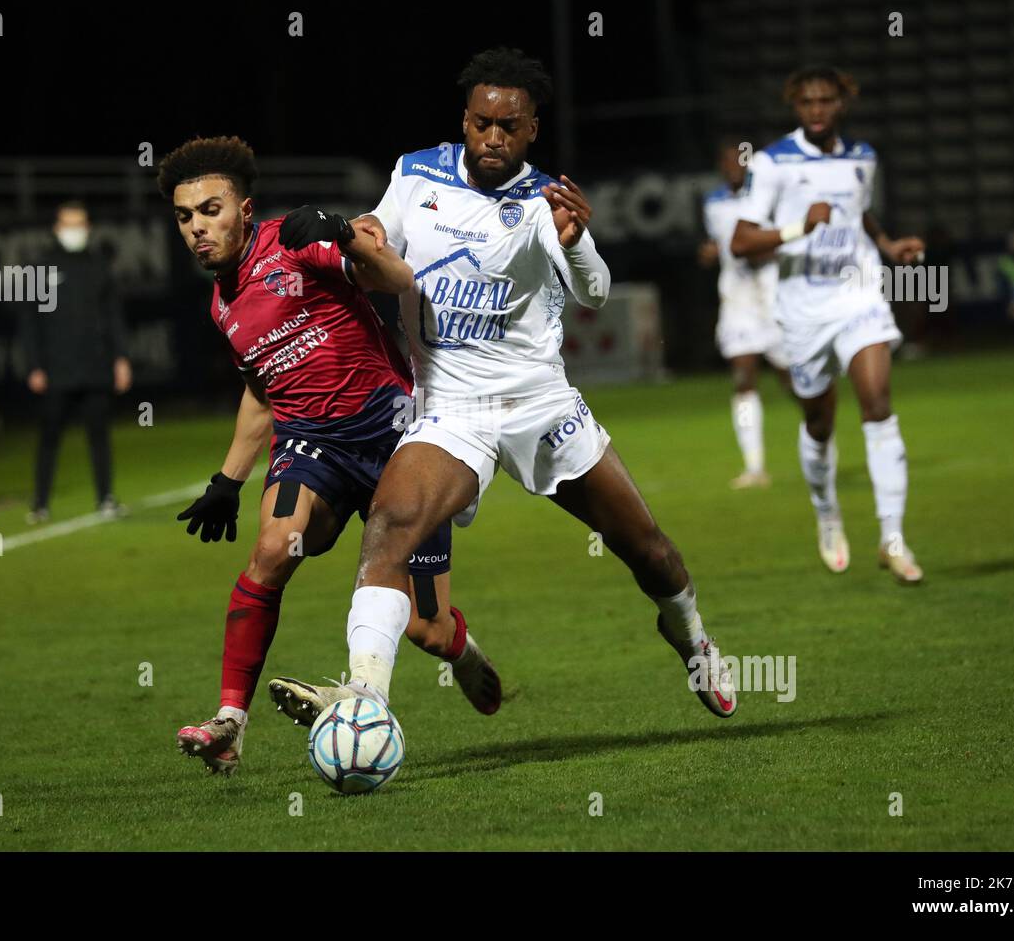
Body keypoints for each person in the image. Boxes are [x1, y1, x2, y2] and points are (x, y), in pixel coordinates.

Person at [269, 47, 737, 727]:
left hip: (540, 404)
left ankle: (690, 635)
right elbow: (377, 248)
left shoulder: (546, 201)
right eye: (482, 122)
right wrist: (340, 233)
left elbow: (596, 291)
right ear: (465, 119)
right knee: (390, 525)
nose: (494, 136)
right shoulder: (416, 175)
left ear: (532, 130)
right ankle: (365, 698)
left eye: (509, 126)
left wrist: (576, 241)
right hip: (453, 411)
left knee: (650, 549)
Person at [157, 136, 501, 775]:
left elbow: (399, 278)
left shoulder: (293, 242)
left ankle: (461, 649)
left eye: (210, 210)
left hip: (397, 438)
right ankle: (231, 719)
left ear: (246, 209)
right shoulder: (221, 305)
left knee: (424, 627)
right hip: (313, 445)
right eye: (185, 217)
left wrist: (343, 234)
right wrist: (227, 480)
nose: (198, 228)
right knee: (271, 549)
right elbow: (264, 392)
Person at [730, 65, 926, 584]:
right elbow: (741, 242)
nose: (817, 110)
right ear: (797, 107)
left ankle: (893, 537)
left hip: (859, 295)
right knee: (819, 421)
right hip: (801, 309)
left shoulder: (864, 158)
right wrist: (799, 226)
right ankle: (826, 511)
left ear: (842, 103)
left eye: (826, 101)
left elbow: (859, 214)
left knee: (878, 406)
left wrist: (886, 246)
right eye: (807, 103)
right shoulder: (772, 163)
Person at [20, 201, 132, 523]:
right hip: (56, 370)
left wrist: (121, 358)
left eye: (80, 224)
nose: (75, 231)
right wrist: (34, 366)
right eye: (69, 225)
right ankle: (40, 503)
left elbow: (113, 317)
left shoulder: (99, 266)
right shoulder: (40, 268)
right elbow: (30, 324)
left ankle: (105, 498)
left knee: (99, 435)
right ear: (57, 229)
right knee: (49, 437)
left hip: (95, 367)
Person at [698, 137, 791, 488]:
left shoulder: (766, 199)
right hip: (738, 301)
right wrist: (710, 253)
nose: (732, 167)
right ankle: (754, 467)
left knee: (792, 379)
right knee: (743, 378)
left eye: (739, 161)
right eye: (727, 161)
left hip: (773, 296)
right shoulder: (714, 203)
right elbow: (719, 245)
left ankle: (819, 436)